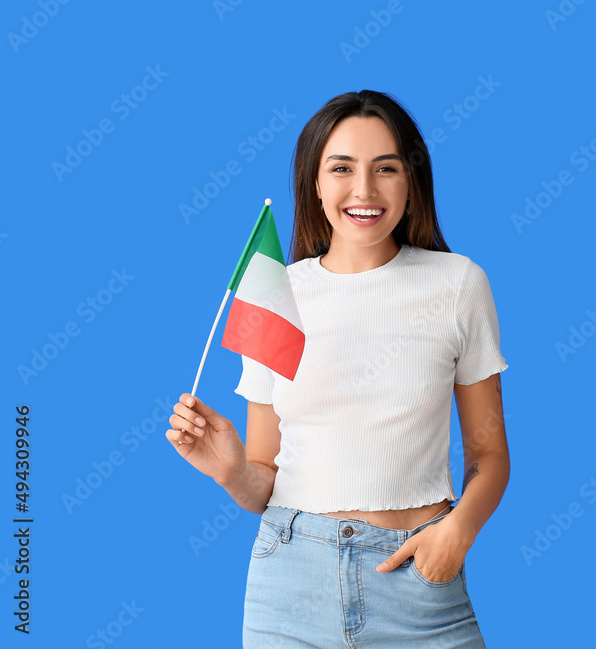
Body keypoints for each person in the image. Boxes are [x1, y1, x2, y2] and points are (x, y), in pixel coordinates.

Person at [165, 90, 509, 648]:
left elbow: (489, 455)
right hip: (290, 585)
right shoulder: (276, 294)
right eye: (342, 168)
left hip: (418, 580)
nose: (364, 190)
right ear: (315, 183)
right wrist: (232, 472)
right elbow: (264, 480)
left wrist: (458, 532)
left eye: (386, 169)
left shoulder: (457, 285)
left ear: (411, 181)